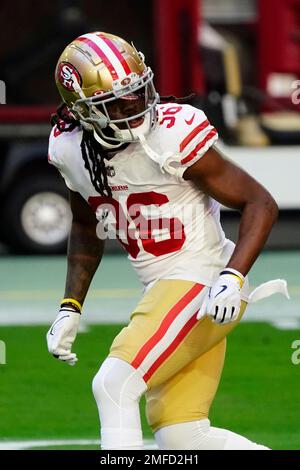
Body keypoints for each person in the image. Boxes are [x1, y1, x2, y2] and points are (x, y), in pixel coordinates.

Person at [46, 31, 279, 450]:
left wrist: (233, 276)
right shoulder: (70, 148)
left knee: (113, 384)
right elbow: (86, 224)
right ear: (83, 112)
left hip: (203, 279)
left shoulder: (172, 133)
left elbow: (260, 202)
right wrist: (70, 306)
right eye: (115, 104)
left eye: (138, 93)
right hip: (168, 287)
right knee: (183, 433)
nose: (135, 107)